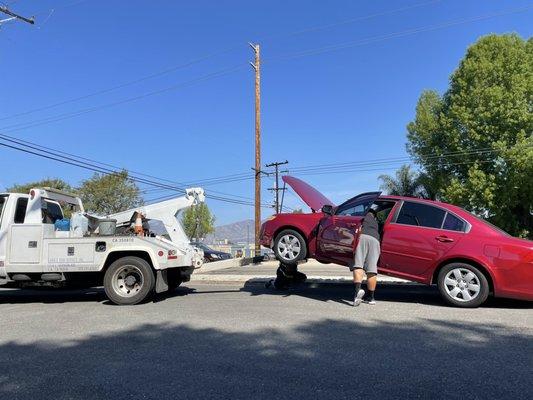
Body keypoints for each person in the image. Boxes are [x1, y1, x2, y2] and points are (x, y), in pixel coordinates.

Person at [351, 204, 381, 306]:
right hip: (375, 240)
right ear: (374, 216)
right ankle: (371, 297)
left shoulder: (361, 216)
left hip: (363, 236)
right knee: (372, 269)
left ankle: (357, 293)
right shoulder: (376, 222)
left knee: (358, 264)